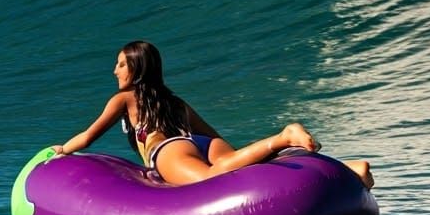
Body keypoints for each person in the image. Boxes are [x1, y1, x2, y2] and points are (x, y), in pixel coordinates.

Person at [54, 40, 374, 188]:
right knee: (249, 170)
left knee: (209, 178)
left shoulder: (125, 99)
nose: (115, 70)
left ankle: (283, 136)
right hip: (203, 142)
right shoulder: (175, 102)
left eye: (121, 64)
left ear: (135, 67)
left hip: (169, 150)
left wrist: (62, 150)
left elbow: (89, 136)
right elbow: (213, 136)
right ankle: (347, 169)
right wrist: (226, 156)